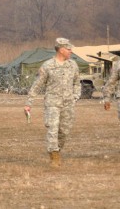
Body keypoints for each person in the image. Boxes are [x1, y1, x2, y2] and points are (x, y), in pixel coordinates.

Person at [24, 38, 81, 167]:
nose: (71, 51)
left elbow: (77, 83)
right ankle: (54, 156)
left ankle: (57, 150)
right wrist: (29, 102)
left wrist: (75, 96)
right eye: (68, 49)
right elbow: (37, 85)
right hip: (52, 104)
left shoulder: (73, 65)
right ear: (61, 50)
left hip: (68, 104)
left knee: (64, 131)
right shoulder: (48, 66)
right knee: (53, 129)